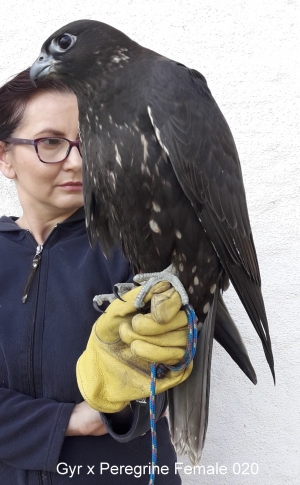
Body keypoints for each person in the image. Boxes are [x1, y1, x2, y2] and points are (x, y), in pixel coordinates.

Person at [0, 68, 183, 484]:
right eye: (51, 142)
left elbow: (157, 389)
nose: (78, 161)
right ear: (5, 156)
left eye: (90, 141)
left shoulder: (141, 247)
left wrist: (122, 402)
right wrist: (71, 420)